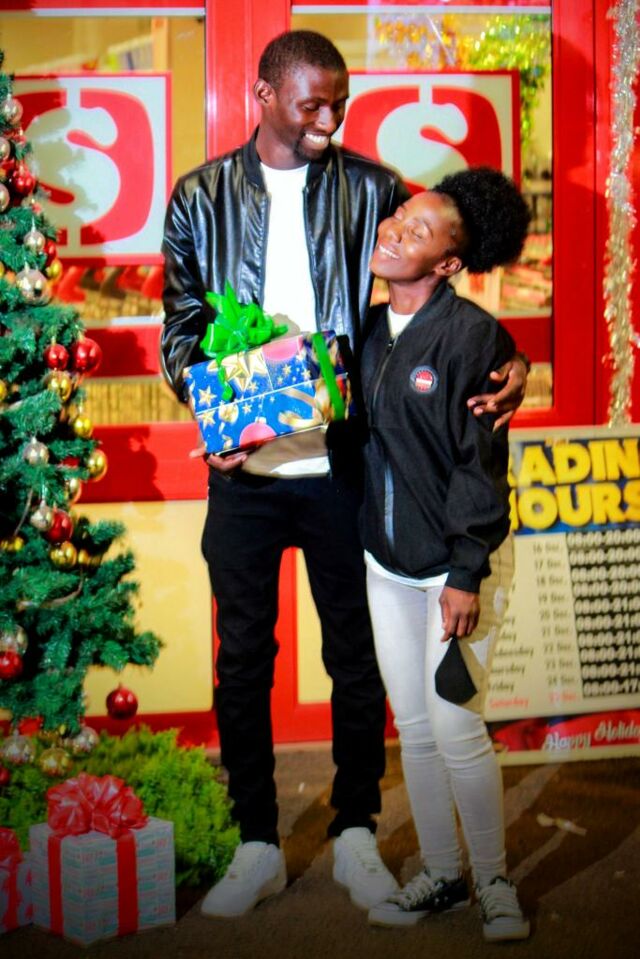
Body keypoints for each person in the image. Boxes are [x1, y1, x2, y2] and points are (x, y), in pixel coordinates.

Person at [161, 30, 528, 919]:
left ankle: (357, 826)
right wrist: (209, 410)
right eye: (311, 104)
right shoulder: (199, 198)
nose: (329, 119)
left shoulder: (370, 188)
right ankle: (257, 839)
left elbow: (437, 279)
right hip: (245, 473)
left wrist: (512, 358)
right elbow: (180, 325)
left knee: (355, 658)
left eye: (340, 104)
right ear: (263, 96)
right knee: (242, 658)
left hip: (346, 466)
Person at [359, 167, 531, 942]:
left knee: (456, 724)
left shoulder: (472, 338)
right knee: (415, 727)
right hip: (386, 565)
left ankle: (493, 879)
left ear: (450, 262)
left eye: (419, 230)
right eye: (400, 217)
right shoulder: (368, 329)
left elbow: (478, 468)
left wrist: (465, 573)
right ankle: (442, 871)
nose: (396, 230)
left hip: (458, 569)